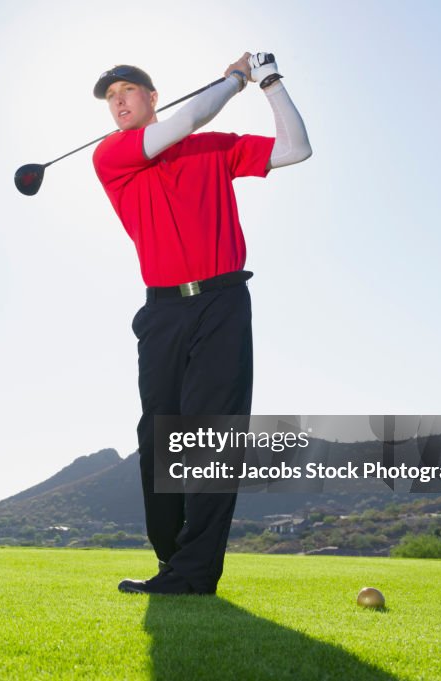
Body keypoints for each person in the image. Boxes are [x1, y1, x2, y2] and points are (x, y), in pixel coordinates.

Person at [91, 53, 311, 594]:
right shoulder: (112, 154)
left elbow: (296, 148)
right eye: (110, 96)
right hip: (163, 310)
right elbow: (185, 122)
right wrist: (236, 78)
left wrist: (270, 83)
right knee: (160, 437)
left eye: (128, 90)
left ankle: (194, 574)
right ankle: (173, 561)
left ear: (152, 96)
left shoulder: (213, 147)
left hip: (222, 302)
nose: (118, 100)